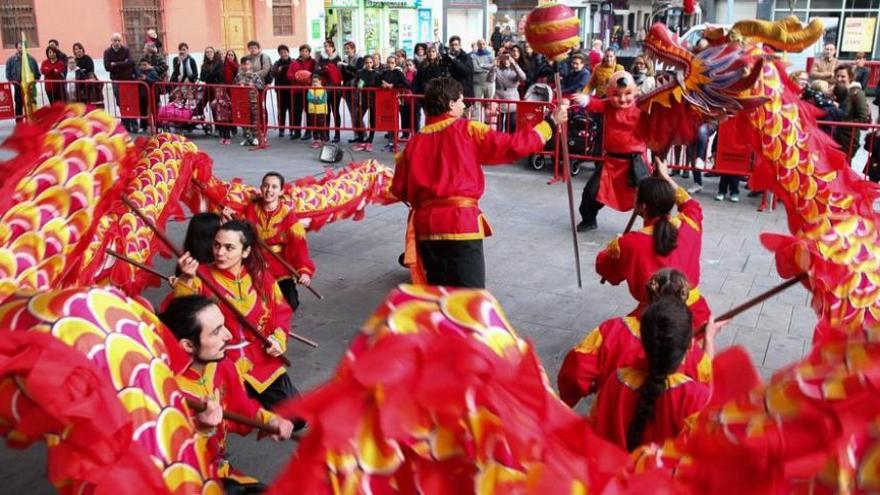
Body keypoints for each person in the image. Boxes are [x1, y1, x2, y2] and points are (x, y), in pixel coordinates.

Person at [390, 77, 567, 288]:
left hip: (426, 227)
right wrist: (550, 123)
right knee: (469, 299)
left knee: (440, 295)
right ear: (450, 104)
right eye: (461, 101)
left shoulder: (414, 142)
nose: (464, 105)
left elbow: (399, 189)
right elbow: (512, 146)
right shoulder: (467, 130)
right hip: (460, 223)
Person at [159, 295, 294, 492]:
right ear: (188, 345)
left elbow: (241, 406)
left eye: (223, 325)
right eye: (216, 332)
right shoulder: (165, 390)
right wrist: (203, 429)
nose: (228, 335)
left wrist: (269, 420)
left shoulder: (221, 365)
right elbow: (166, 459)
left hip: (219, 470)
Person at [563, 295, 721, 450]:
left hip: (615, 472)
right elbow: (704, 451)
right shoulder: (695, 397)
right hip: (659, 476)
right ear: (690, 345)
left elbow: (596, 428)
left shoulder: (616, 380)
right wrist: (709, 338)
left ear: (643, 339)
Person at [173, 220, 299, 411]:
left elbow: (282, 312)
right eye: (217, 245)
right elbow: (182, 317)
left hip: (260, 357)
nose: (220, 252)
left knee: (295, 416)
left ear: (245, 251)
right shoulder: (200, 277)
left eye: (229, 247)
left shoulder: (261, 277)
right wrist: (185, 280)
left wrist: (278, 339)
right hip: (220, 360)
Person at [557, 268, 717, 410]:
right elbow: (708, 387)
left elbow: (576, 371)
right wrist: (709, 339)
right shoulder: (690, 352)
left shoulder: (612, 331)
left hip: (612, 420)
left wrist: (566, 402)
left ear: (649, 293)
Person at [595, 158, 712, 331]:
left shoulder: (628, 243)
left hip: (652, 322)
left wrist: (614, 247)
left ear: (641, 207)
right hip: (695, 316)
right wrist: (665, 176)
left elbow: (606, 269)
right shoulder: (690, 225)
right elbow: (691, 204)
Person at [218, 172, 315, 313]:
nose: (269, 190)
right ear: (261, 188)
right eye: (266, 185)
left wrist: (304, 272)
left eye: (274, 187)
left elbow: (299, 247)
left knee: (290, 303)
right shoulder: (251, 209)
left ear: (281, 191)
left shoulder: (289, 217)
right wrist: (228, 220)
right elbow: (240, 234)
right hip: (253, 261)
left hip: (279, 264)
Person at [574, 71, 648, 231]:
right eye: (616, 94)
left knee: (648, 197)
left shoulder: (643, 106)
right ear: (609, 93)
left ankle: (654, 226)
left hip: (636, 163)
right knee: (591, 192)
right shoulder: (608, 105)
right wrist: (584, 99)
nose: (622, 99)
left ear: (635, 91)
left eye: (627, 93)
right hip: (611, 163)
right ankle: (588, 219)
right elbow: (596, 104)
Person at [832, 65, 871, 159]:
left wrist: (842, 124)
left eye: (843, 76)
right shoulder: (834, 92)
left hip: (848, 138)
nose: (839, 79)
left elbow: (863, 119)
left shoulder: (856, 93)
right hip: (832, 136)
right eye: (837, 76)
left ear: (850, 77)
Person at [103, 33, 136, 132]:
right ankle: (125, 123)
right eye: (115, 40)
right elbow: (107, 67)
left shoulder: (126, 50)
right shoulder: (107, 52)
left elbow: (130, 63)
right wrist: (123, 64)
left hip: (127, 79)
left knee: (130, 102)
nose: (117, 42)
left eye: (119, 40)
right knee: (120, 102)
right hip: (116, 80)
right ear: (111, 41)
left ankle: (133, 123)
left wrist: (116, 64)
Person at [352, 54, 382, 151]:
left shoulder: (377, 74)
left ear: (373, 63)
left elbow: (379, 86)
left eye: (370, 62)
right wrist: (360, 85)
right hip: (363, 99)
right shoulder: (360, 72)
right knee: (357, 119)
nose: (369, 64)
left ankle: (370, 141)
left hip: (373, 99)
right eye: (366, 63)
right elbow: (358, 84)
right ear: (364, 63)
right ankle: (361, 140)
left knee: (372, 121)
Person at [287, 44, 316, 141]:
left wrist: (308, 77)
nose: (304, 53)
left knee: (309, 112)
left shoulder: (313, 62)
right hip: (297, 90)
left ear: (309, 52)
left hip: (309, 90)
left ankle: (309, 132)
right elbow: (289, 74)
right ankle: (297, 131)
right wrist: (296, 76)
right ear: (299, 52)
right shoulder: (294, 62)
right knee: (297, 112)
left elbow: (316, 74)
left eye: (306, 51)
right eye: (302, 51)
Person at [233, 58, 265, 147]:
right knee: (244, 120)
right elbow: (233, 86)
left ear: (250, 65)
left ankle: (256, 137)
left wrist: (253, 85)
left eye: (247, 64)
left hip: (253, 101)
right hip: (242, 101)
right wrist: (239, 85)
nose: (245, 66)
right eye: (243, 64)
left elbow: (261, 86)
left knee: (255, 119)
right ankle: (247, 137)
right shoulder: (238, 76)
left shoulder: (255, 75)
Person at [380, 55, 410, 150]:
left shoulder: (399, 73)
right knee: (389, 120)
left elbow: (406, 84)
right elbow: (377, 81)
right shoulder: (384, 72)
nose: (390, 65)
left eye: (392, 63)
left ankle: (395, 140)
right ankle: (390, 141)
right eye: (388, 62)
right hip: (386, 100)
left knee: (396, 119)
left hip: (398, 99)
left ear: (395, 63)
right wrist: (382, 85)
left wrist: (392, 85)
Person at [317, 40, 343, 143]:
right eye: (325, 46)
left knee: (336, 111)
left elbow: (338, 72)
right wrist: (325, 69)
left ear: (333, 47)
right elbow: (317, 70)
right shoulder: (322, 58)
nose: (327, 48)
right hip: (325, 88)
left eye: (328, 46)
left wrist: (326, 69)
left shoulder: (337, 58)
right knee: (326, 112)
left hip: (336, 89)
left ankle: (337, 134)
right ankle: (326, 134)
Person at [493, 53, 526, 133]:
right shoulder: (498, 70)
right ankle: (499, 142)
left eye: (508, 58)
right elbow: (489, 79)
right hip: (499, 100)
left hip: (512, 100)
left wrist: (514, 64)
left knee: (511, 124)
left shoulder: (514, 70)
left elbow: (523, 77)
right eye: (504, 58)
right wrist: (493, 66)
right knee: (499, 126)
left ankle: (510, 142)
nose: (506, 61)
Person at [340, 41, 364, 143]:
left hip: (356, 88)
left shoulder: (359, 58)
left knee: (357, 112)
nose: (346, 50)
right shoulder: (344, 59)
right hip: (347, 87)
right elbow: (344, 75)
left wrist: (346, 66)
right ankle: (356, 135)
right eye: (345, 48)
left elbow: (358, 71)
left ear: (353, 49)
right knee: (352, 112)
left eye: (348, 48)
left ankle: (362, 135)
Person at [271, 44, 293, 138]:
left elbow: (293, 70)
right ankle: (281, 129)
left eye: (285, 52)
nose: (283, 54)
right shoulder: (277, 63)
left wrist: (283, 68)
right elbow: (274, 72)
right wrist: (280, 69)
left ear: (288, 52)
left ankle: (293, 129)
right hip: (280, 90)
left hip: (291, 90)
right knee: (281, 110)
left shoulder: (293, 61)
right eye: (281, 52)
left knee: (292, 110)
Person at [306, 74, 329, 147]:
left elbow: (323, 100)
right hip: (312, 111)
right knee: (314, 125)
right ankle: (316, 140)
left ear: (320, 82)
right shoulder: (310, 90)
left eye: (316, 82)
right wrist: (316, 99)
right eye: (313, 82)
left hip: (321, 111)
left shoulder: (323, 90)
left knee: (321, 126)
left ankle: (323, 139)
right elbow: (309, 98)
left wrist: (316, 100)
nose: (315, 83)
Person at [471, 38, 495, 105]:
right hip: (477, 83)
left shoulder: (490, 55)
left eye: (483, 44)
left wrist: (481, 65)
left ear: (486, 44)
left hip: (488, 82)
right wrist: (487, 69)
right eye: (480, 44)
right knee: (476, 104)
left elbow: (494, 66)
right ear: (477, 45)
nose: (482, 45)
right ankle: (476, 116)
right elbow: (475, 68)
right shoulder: (473, 55)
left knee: (488, 104)